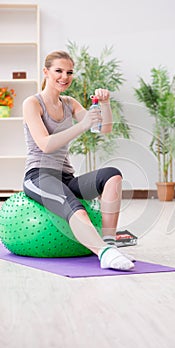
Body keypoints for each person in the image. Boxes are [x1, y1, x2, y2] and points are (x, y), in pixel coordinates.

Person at [23, 50, 134, 271]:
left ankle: (110, 244)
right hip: (38, 175)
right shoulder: (32, 103)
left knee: (112, 175)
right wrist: (80, 126)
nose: (64, 76)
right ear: (46, 72)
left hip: (65, 177)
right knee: (76, 209)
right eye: (58, 71)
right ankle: (104, 253)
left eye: (69, 72)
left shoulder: (69, 103)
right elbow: (45, 144)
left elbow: (104, 129)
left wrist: (105, 104)